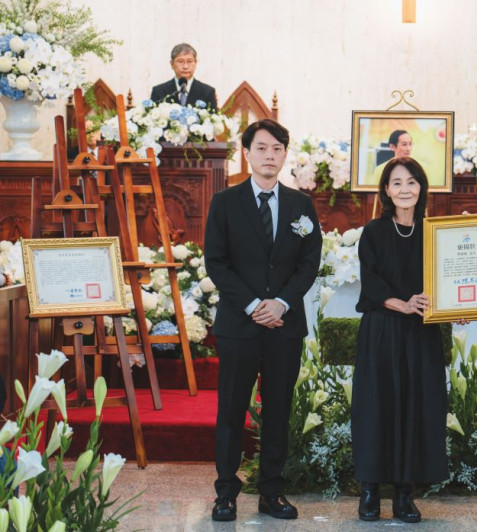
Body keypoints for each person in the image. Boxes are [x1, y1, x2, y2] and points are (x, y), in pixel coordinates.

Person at [204, 119, 322, 522]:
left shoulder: (301, 206)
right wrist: (255, 303)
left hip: (284, 325)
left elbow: (309, 263)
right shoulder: (225, 202)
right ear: (247, 153)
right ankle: (225, 492)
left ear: (285, 154)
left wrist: (283, 304)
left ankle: (272, 491)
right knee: (231, 409)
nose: (270, 155)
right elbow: (216, 263)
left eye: (277, 149)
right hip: (239, 324)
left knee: (278, 409)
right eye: (262, 148)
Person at [351, 156, 448, 523]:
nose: (404, 189)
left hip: (421, 333)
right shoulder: (374, 231)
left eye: (411, 181)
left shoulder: (434, 232)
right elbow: (371, 282)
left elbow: (448, 279)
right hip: (382, 330)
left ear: (421, 188)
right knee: (377, 406)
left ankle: (405, 493)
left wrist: (455, 304)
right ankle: (370, 490)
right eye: (396, 182)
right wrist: (403, 304)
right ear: (386, 191)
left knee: (417, 407)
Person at [150, 43, 218, 110]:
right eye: (180, 61)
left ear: (196, 63)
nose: (185, 66)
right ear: (171, 64)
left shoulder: (208, 92)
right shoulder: (158, 91)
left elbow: (213, 118)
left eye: (189, 61)